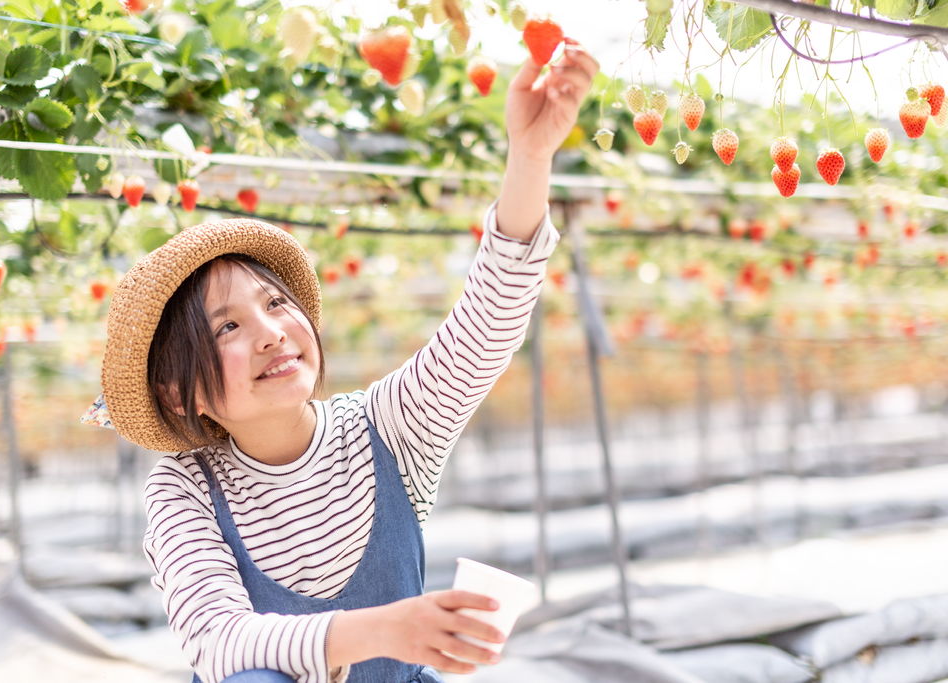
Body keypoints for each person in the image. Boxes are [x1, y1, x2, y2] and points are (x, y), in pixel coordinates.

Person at [84, 39, 598, 683]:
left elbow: (487, 325)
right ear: (180, 396)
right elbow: (217, 644)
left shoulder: (386, 429)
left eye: (276, 302)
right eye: (227, 327)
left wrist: (529, 155)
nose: (272, 332)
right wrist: (388, 628)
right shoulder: (186, 488)